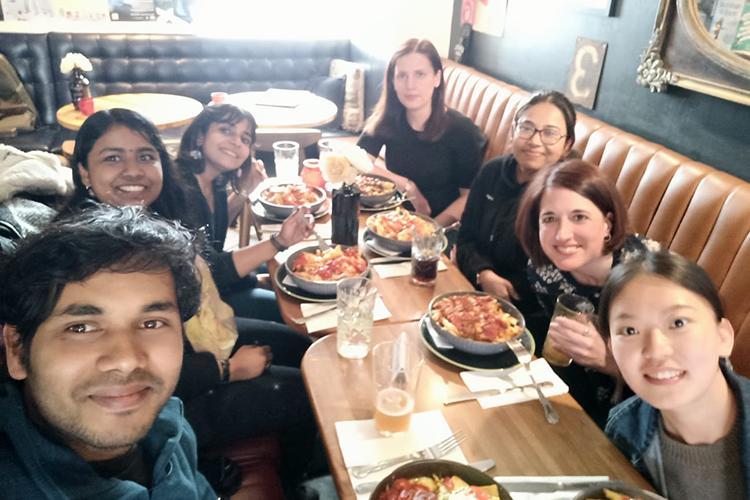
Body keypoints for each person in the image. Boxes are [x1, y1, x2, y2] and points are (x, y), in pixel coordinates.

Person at [64, 108, 320, 492]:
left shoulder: (151, 219)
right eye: (113, 157)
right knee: (309, 392)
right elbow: (127, 370)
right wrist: (225, 370)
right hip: (161, 408)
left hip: (197, 344)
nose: (133, 170)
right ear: (84, 171)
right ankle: (302, 484)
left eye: (146, 156)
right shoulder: (90, 254)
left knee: (306, 348)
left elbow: (203, 274)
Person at [0, 204, 215, 498]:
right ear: (16, 349)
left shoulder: (168, 424)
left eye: (152, 323)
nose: (126, 360)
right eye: (81, 328)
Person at [515, 159, 660, 427]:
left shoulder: (651, 275)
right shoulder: (544, 270)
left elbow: (698, 381)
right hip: (574, 397)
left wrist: (611, 362)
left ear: (607, 223)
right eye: (549, 219)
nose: (562, 235)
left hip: (642, 419)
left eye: (579, 217)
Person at [599, 251, 749, 500]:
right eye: (630, 330)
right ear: (611, 348)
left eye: (678, 323)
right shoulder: (624, 429)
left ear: (723, 336)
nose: (656, 351)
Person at [457, 90, 577, 323]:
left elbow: (557, 278)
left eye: (550, 133)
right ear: (513, 131)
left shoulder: (567, 197)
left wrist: (502, 291)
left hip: (526, 317)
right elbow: (465, 237)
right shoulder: (492, 172)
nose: (534, 141)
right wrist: (484, 274)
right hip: (471, 288)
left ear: (567, 144)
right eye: (527, 128)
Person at [176, 103, 301, 322]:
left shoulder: (214, 181)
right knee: (296, 317)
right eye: (226, 130)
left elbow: (211, 239)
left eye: (245, 139)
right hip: (191, 310)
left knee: (290, 268)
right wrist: (278, 241)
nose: (236, 142)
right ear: (199, 136)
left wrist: (244, 190)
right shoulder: (179, 187)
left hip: (213, 287)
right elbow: (209, 271)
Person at [357, 38, 486, 226]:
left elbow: (469, 197)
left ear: (436, 78)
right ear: (393, 81)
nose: (410, 85)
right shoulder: (390, 118)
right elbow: (358, 161)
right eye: (402, 75)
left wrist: (430, 228)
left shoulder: (462, 131)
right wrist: (407, 186)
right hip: (394, 220)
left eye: (420, 74)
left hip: (442, 227)